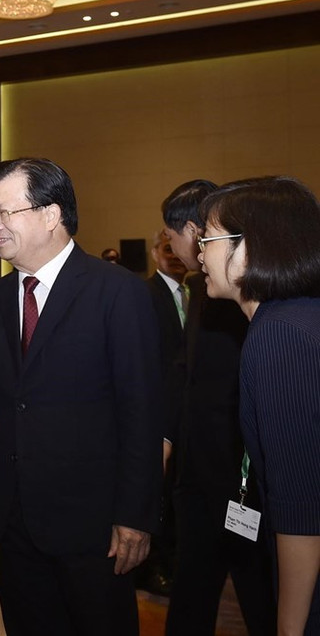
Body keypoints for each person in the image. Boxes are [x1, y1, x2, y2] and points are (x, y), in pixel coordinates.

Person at [0, 157, 162, 636]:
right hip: (12, 523)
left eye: (5, 212)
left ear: (51, 214)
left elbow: (142, 412)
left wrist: (135, 515)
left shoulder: (118, 293)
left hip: (92, 526)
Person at [198, 176, 320, 635]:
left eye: (208, 239)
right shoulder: (300, 315)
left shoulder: (279, 335)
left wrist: (289, 626)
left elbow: (301, 506)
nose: (199, 254)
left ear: (248, 248)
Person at [162, 180, 276, 636]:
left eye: (172, 236)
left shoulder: (239, 298)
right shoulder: (203, 288)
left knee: (257, 593)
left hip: (233, 481)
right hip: (203, 481)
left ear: (194, 232)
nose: (171, 247)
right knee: (195, 594)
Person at [138, 231, 188, 596]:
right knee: (158, 496)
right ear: (155, 254)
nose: (173, 256)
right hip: (157, 412)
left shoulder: (200, 295)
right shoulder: (145, 295)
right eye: (166, 249)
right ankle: (154, 568)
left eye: (177, 249)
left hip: (187, 416)